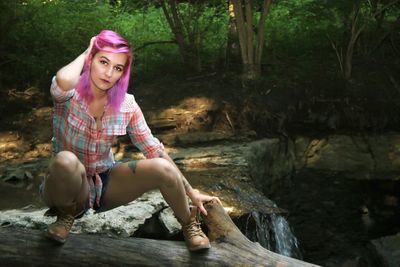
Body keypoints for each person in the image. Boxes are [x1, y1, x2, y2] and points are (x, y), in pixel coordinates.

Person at [40, 29, 220, 251]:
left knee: (162, 167)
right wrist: (88, 50)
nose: (108, 73)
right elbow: (64, 79)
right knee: (65, 160)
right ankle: (66, 216)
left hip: (104, 183)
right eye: (103, 62)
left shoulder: (127, 105)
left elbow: (154, 149)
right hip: (65, 185)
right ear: (91, 60)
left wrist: (192, 192)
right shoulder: (69, 94)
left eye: (117, 68)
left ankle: (189, 225)